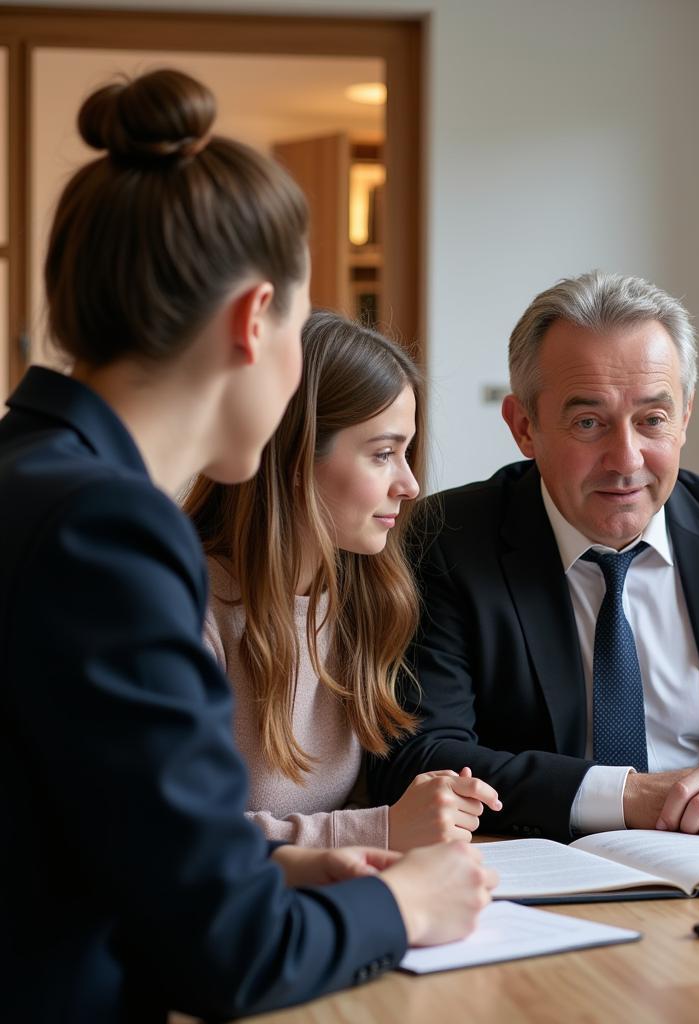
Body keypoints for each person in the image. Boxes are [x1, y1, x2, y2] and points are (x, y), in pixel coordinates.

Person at [1, 69, 494, 1024]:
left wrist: (274, 859)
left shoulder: (29, 468)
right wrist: (402, 902)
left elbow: (80, 834)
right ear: (254, 320)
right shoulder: (105, 529)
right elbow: (229, 956)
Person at [369, 271, 699, 842]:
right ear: (524, 427)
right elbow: (421, 755)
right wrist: (628, 796)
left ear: (686, 417)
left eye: (653, 420)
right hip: (543, 864)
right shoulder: (448, 539)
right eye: (589, 422)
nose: (626, 459)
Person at [184, 311, 501, 851]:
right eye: (383, 454)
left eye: (406, 452)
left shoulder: (363, 599)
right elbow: (181, 836)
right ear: (294, 458)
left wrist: (427, 806)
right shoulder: (191, 611)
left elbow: (350, 805)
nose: (410, 484)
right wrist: (381, 828)